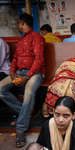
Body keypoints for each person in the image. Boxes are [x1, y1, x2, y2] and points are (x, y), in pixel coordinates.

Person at [0, 13, 45, 148]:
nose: (17, 25)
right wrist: (13, 72)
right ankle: (25, 111)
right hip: (20, 72)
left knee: (29, 91)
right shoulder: (21, 40)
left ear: (22, 22)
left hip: (36, 73)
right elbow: (14, 59)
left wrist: (27, 77)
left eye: (18, 23)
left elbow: (39, 59)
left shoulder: (37, 37)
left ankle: (21, 128)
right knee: (0, 89)